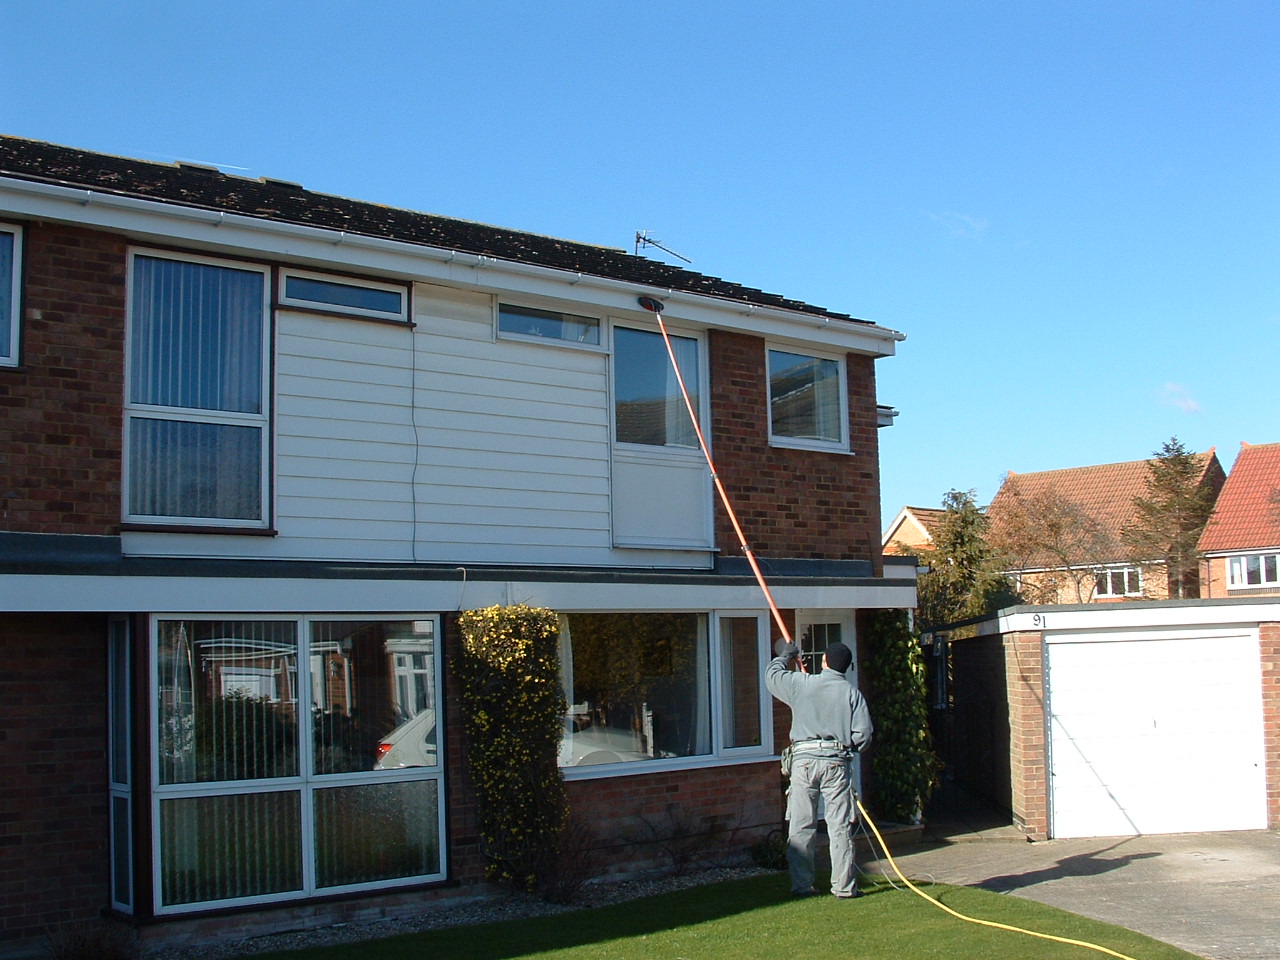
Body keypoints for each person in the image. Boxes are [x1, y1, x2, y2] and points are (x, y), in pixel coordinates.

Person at [765, 638, 873, 899]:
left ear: (824, 661)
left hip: (803, 763)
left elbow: (772, 676)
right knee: (839, 827)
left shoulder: (803, 684)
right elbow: (863, 736)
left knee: (802, 825)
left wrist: (786, 655)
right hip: (837, 762)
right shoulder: (851, 694)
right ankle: (844, 887)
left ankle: (802, 885)